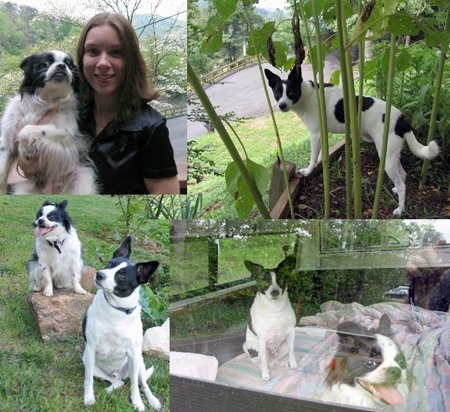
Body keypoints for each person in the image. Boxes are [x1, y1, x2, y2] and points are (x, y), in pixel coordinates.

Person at [15, 12, 180, 194]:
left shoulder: (150, 129)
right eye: (93, 51)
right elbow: (30, 167)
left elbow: (166, 201)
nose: (103, 63)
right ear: (81, 58)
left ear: (131, 61)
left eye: (116, 52)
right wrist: (28, 163)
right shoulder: (65, 110)